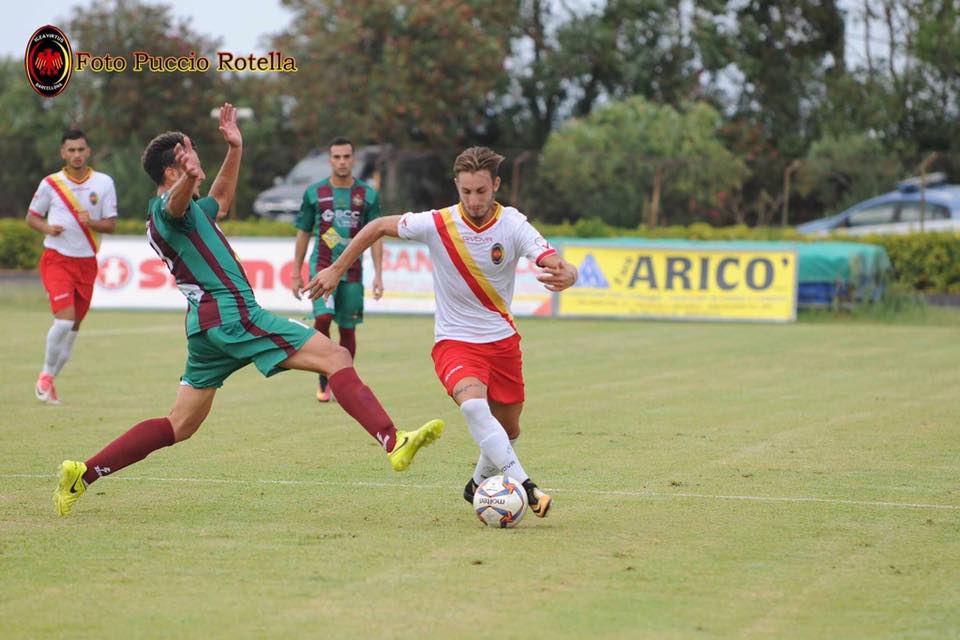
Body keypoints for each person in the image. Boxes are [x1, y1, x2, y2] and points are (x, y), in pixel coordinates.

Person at [53, 104, 443, 517]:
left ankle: (83, 473)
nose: (196, 161)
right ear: (172, 170)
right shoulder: (165, 211)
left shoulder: (192, 209)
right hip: (233, 316)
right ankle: (392, 440)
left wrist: (234, 149)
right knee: (337, 356)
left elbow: (219, 196)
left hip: (205, 329)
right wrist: (188, 177)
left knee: (179, 425)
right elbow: (174, 206)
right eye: (189, 154)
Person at [303, 146, 578, 518]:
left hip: (502, 343)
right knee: (474, 406)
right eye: (466, 191)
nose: (474, 200)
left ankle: (477, 484)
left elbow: (551, 258)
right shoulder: (437, 222)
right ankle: (528, 488)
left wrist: (569, 274)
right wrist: (336, 269)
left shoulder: (512, 224)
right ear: (456, 186)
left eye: (481, 191)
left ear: (495, 185)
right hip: (455, 342)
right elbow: (377, 226)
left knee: (509, 431)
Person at [26, 129, 118, 404]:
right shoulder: (50, 184)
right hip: (57, 259)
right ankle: (45, 374)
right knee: (64, 320)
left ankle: (51, 379)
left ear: (88, 152)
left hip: (87, 263)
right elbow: (32, 218)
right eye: (71, 150)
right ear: (63, 153)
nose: (76, 155)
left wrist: (92, 223)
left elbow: (111, 225)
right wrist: (47, 228)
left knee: (73, 328)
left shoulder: (103, 183)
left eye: (81, 150)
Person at [291, 137, 383, 402]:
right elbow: (303, 233)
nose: (342, 161)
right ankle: (324, 377)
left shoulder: (368, 195)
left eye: (346, 156)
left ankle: (343, 381)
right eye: (337, 157)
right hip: (321, 267)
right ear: (330, 160)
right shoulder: (314, 193)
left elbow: (376, 235)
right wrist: (296, 273)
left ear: (353, 159)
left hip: (353, 273)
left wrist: (379, 274)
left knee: (348, 329)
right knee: (323, 318)